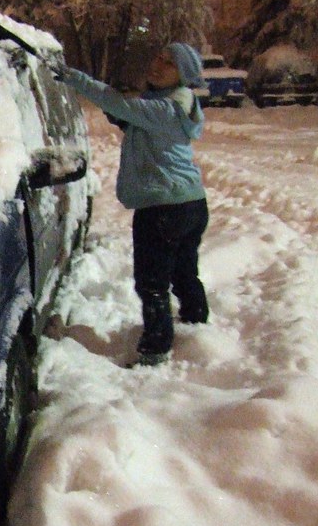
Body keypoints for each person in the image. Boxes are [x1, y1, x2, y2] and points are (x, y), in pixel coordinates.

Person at [52, 43, 210, 366]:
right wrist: (121, 112)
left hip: (163, 208)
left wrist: (75, 79)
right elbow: (131, 118)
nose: (158, 64)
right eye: (159, 57)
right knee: (183, 273)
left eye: (169, 64)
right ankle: (197, 326)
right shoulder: (169, 105)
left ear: (183, 76)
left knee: (152, 282)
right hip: (189, 204)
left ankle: (155, 348)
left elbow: (123, 107)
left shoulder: (169, 109)